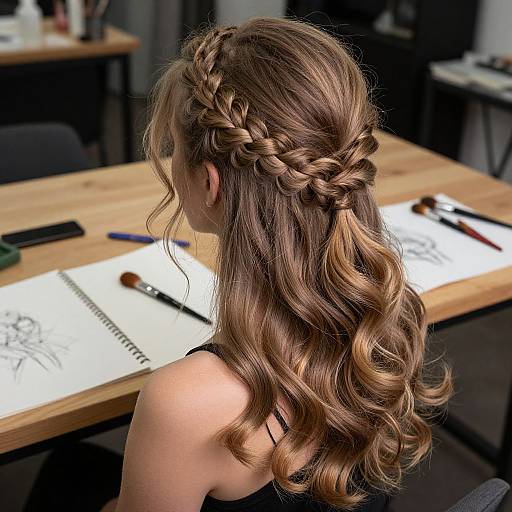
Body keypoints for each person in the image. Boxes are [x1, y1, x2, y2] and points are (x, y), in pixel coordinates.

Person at [24, 16, 452, 512]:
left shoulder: (183, 404)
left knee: (65, 476)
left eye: (173, 149)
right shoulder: (389, 312)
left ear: (210, 184)